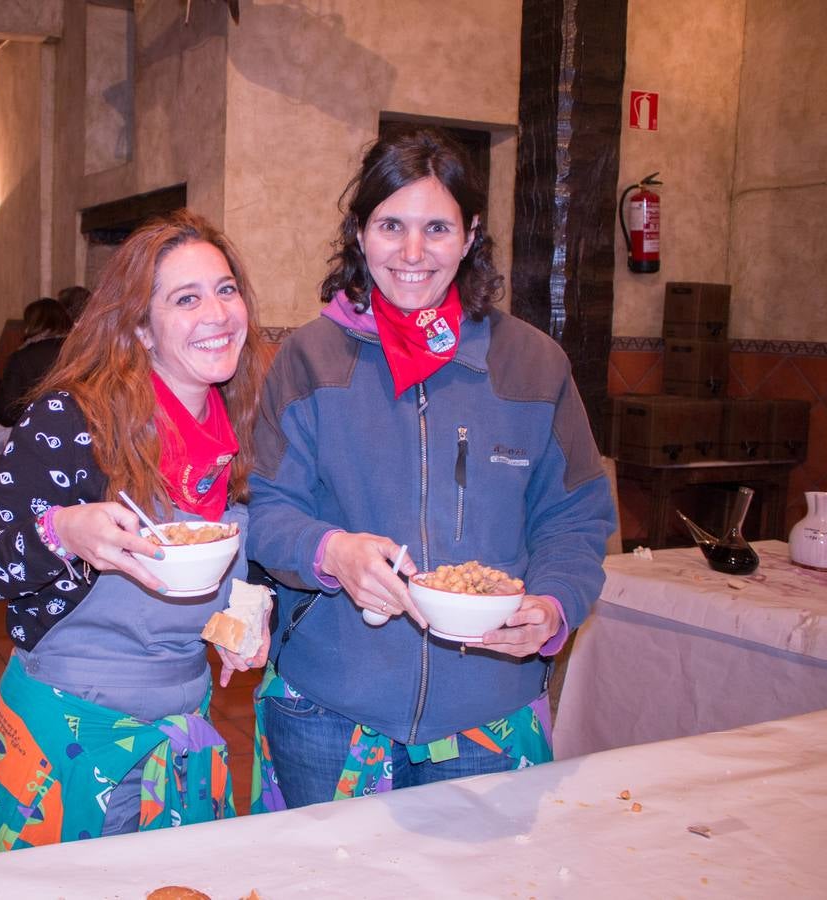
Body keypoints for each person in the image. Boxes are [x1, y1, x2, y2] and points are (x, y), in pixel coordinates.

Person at [246, 129, 616, 810]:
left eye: (436, 227)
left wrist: (553, 605)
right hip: (328, 711)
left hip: (487, 716)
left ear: (471, 233)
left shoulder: (533, 364)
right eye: (391, 225)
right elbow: (267, 513)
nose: (412, 254)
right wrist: (333, 553)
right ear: (360, 232)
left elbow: (576, 517)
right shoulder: (309, 359)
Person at [0, 209, 270, 854]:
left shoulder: (245, 423)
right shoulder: (76, 420)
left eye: (225, 289)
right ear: (140, 328)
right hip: (68, 731)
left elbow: (252, 554)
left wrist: (249, 608)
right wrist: (62, 530)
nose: (216, 312)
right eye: (186, 298)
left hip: (182, 724)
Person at [0, 296, 73, 428]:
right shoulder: (80, 352)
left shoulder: (22, 358)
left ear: (32, 325)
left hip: (36, 433)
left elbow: (6, 413)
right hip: (73, 432)